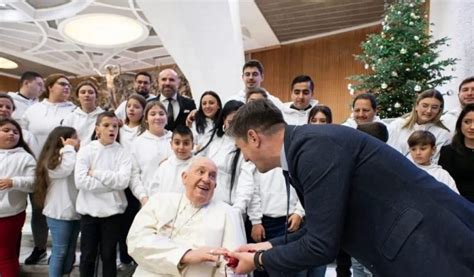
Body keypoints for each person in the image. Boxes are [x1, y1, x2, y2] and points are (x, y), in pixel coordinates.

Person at [225, 99, 474, 276]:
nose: (245, 158)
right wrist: (268, 246)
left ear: (254, 137)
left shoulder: (313, 150)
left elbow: (321, 245)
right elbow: (321, 226)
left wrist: (258, 260)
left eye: (242, 148)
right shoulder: (307, 145)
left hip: (431, 248)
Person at [127, 157, 247, 276]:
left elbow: (234, 267)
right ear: (185, 177)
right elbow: (136, 241)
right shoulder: (158, 202)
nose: (206, 179)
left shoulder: (228, 214)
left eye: (212, 176)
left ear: (215, 186)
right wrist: (185, 255)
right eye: (201, 171)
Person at [22, 73, 76, 265]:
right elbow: (24, 137)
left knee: (61, 213)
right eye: (62, 84)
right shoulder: (33, 110)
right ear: (50, 86)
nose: (67, 87)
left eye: (69, 85)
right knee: (38, 210)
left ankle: (60, 250)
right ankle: (39, 248)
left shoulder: (73, 111)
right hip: (39, 168)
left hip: (63, 169)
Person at [74, 112, 132, 277]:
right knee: (87, 256)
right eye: (106, 125)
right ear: (97, 129)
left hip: (113, 213)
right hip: (89, 213)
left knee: (109, 255)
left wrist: (96, 173)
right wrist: (111, 183)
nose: (111, 129)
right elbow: (81, 182)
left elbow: (122, 182)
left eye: (115, 126)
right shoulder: (86, 151)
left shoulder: (122, 152)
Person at [34, 126, 81, 277]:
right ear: (63, 140)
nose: (78, 141)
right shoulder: (53, 159)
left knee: (70, 251)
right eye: (74, 138)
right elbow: (66, 169)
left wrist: (70, 150)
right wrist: (68, 148)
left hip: (75, 211)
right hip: (58, 212)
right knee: (59, 251)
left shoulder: (73, 155)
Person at [195, 100, 254, 214]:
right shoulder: (212, 140)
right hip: (206, 205)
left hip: (230, 209)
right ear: (223, 120)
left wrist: (237, 210)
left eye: (239, 122)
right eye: (231, 122)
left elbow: (247, 182)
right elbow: (197, 161)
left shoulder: (247, 148)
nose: (235, 126)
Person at [0, 118, 36, 276]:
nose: (11, 134)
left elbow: (35, 183)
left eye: (15, 132)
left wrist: (13, 182)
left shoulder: (25, 157)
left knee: (5, 256)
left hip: (10, 213)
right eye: (6, 130)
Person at [387, 89, 450, 162]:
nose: (429, 110)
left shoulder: (442, 134)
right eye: (425, 106)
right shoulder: (398, 125)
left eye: (434, 107)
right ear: (416, 106)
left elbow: (435, 161)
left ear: (439, 110)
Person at [130, 101, 173, 196]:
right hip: (149, 200)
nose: (157, 117)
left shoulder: (176, 139)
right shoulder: (137, 143)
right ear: (146, 119)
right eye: (153, 114)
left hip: (174, 198)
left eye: (161, 114)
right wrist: (143, 197)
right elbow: (134, 176)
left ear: (166, 118)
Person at [439, 104, 474, 203]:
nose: (472, 127)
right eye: (467, 122)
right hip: (459, 205)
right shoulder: (448, 151)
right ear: (460, 124)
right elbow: (445, 184)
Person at [148, 126, 195, 196]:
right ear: (171, 144)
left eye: (186, 143)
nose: (181, 147)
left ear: (192, 145)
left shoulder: (198, 166)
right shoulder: (164, 166)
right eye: (177, 143)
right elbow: (153, 189)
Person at [62, 80, 104, 146]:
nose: (87, 95)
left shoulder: (104, 116)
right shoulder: (71, 117)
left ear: (96, 96)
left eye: (90, 92)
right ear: (78, 97)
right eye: (83, 92)